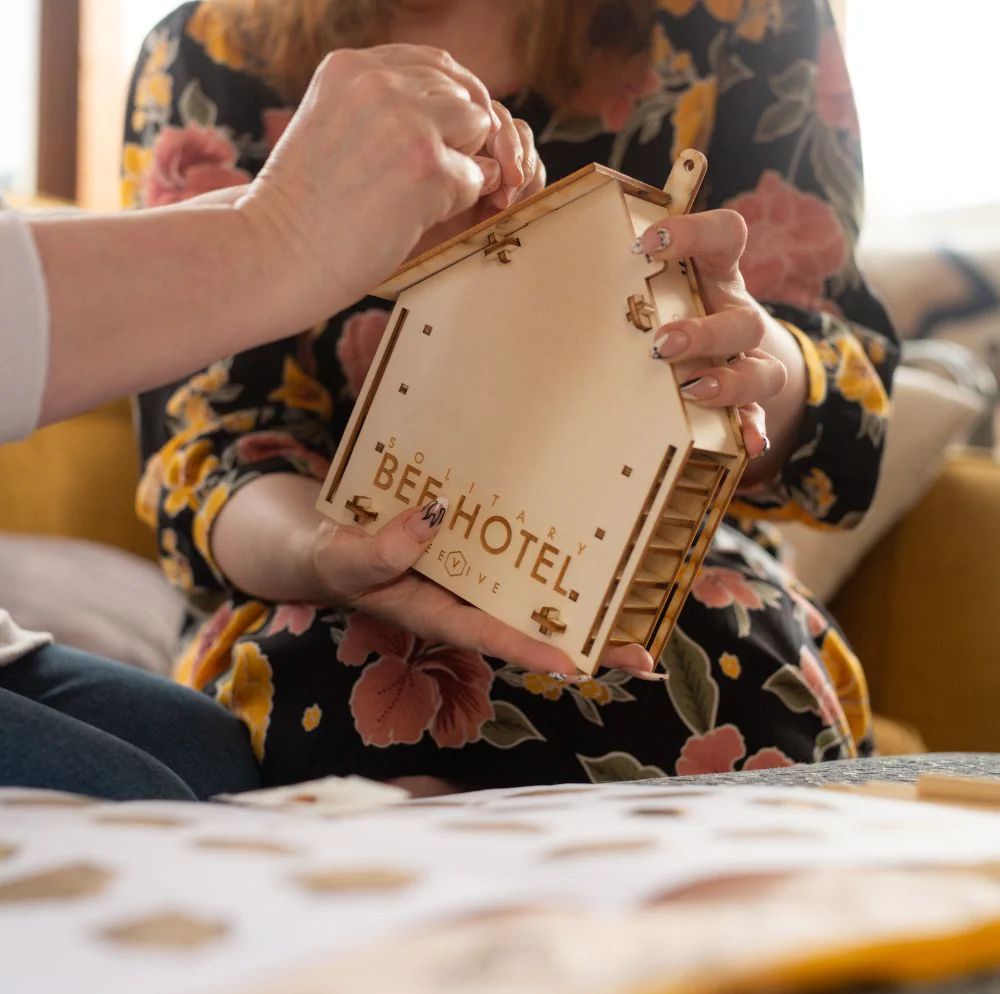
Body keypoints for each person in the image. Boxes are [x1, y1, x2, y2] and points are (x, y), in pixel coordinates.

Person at [125, 0, 898, 792]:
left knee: (731, 672)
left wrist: (746, 362)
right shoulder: (213, 48)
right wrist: (328, 556)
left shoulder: (753, 19)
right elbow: (211, 453)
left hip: (667, 580)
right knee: (326, 690)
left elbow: (844, 414)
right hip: (304, 580)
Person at [0, 42, 569, 801]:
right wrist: (278, 233)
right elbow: (213, 443)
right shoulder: (207, 49)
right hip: (296, 567)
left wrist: (295, 228)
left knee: (205, 763)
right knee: (149, 803)